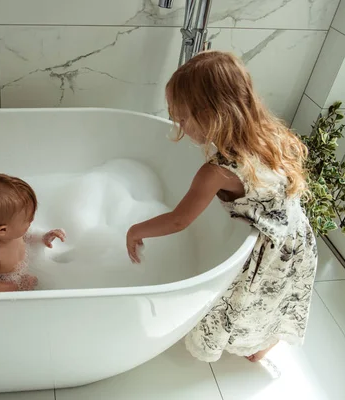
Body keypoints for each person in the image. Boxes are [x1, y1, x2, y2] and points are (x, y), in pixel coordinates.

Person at [126, 50, 317, 363]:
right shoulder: (270, 134)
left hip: (268, 253)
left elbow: (178, 221)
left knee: (246, 305)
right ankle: (268, 339)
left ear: (210, 115)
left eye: (183, 118)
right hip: (297, 239)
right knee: (275, 299)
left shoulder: (216, 171)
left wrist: (136, 230)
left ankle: (258, 348)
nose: (180, 125)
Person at [0, 173, 66, 292]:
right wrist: (19, 285)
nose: (32, 220)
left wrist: (43, 237)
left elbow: (26, 236)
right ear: (3, 230)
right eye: (27, 220)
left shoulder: (8, 232)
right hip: (6, 281)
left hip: (21, 270)